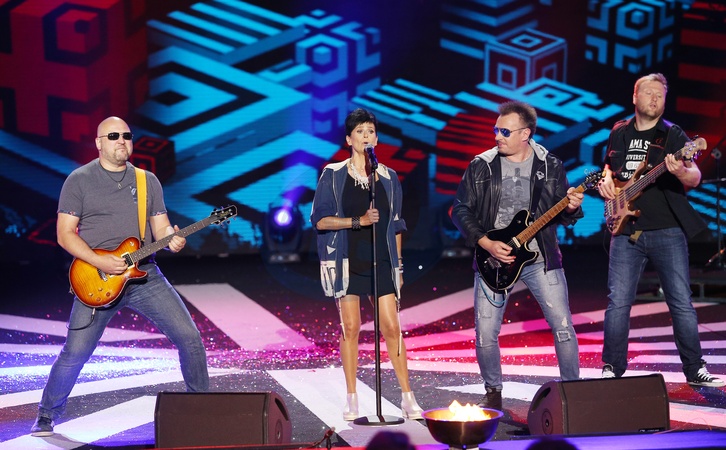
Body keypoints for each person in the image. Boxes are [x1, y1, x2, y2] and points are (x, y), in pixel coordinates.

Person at [30, 116, 209, 436]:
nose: (121, 141)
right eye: (113, 136)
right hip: (96, 277)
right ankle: (47, 413)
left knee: (190, 338)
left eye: (126, 135)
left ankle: (203, 409)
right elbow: (64, 234)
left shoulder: (147, 180)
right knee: (76, 352)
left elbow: (161, 228)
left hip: (145, 276)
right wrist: (99, 260)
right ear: (99, 143)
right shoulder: (79, 180)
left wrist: (172, 239)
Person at [451, 101, 583, 410]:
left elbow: (563, 214)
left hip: (540, 258)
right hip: (493, 259)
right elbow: (459, 210)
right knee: (485, 333)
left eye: (505, 131)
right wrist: (486, 243)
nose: (497, 136)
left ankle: (573, 394)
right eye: (496, 130)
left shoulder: (551, 165)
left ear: (525, 134)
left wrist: (572, 208)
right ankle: (493, 391)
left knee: (563, 326)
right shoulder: (481, 165)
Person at [597, 73, 724, 387]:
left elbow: (695, 177)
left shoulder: (673, 135)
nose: (654, 99)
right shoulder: (619, 131)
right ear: (635, 97)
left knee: (680, 302)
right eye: (649, 93)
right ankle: (611, 367)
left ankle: (695, 368)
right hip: (625, 229)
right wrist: (607, 181)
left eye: (660, 95)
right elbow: (609, 167)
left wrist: (680, 171)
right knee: (618, 302)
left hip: (667, 230)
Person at [310, 108, 423, 420]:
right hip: (347, 260)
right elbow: (320, 221)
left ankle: (407, 396)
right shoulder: (333, 175)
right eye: (359, 132)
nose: (366, 136)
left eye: (370, 131)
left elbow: (396, 225)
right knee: (351, 327)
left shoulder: (388, 178)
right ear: (349, 139)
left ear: (377, 138)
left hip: (382, 261)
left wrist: (398, 267)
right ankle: (352, 397)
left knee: (391, 326)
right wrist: (358, 221)